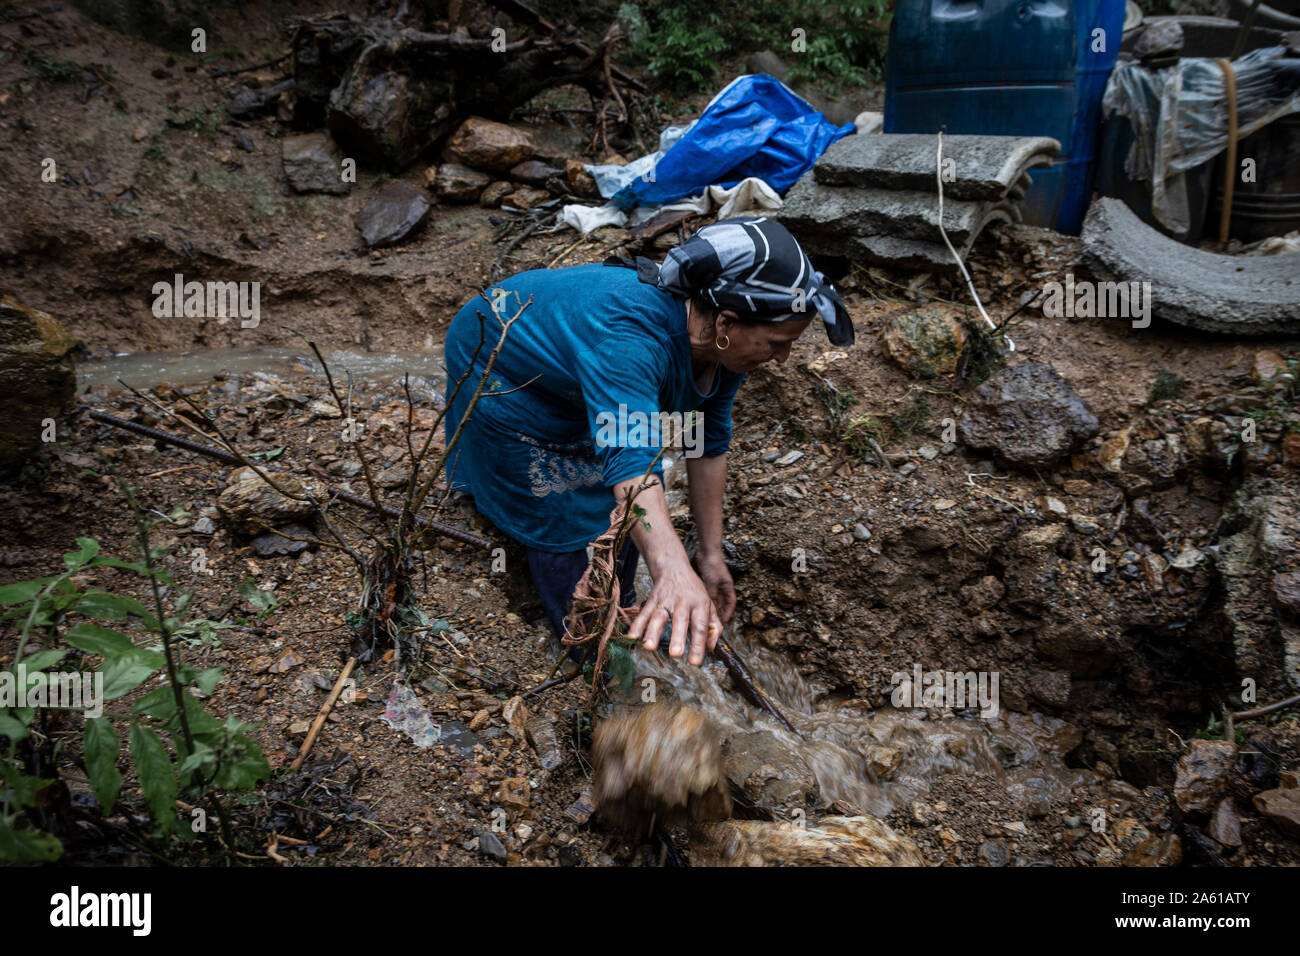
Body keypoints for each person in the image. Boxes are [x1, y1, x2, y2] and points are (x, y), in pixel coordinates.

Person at [443, 216, 854, 668]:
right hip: (497, 355)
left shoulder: (723, 352)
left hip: (572, 356)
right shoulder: (629, 341)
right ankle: (588, 653)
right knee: (557, 505)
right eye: (778, 342)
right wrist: (671, 569)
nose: (783, 358)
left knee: (614, 498)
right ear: (726, 321)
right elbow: (630, 457)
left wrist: (709, 555)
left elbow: (706, 441)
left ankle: (630, 617)